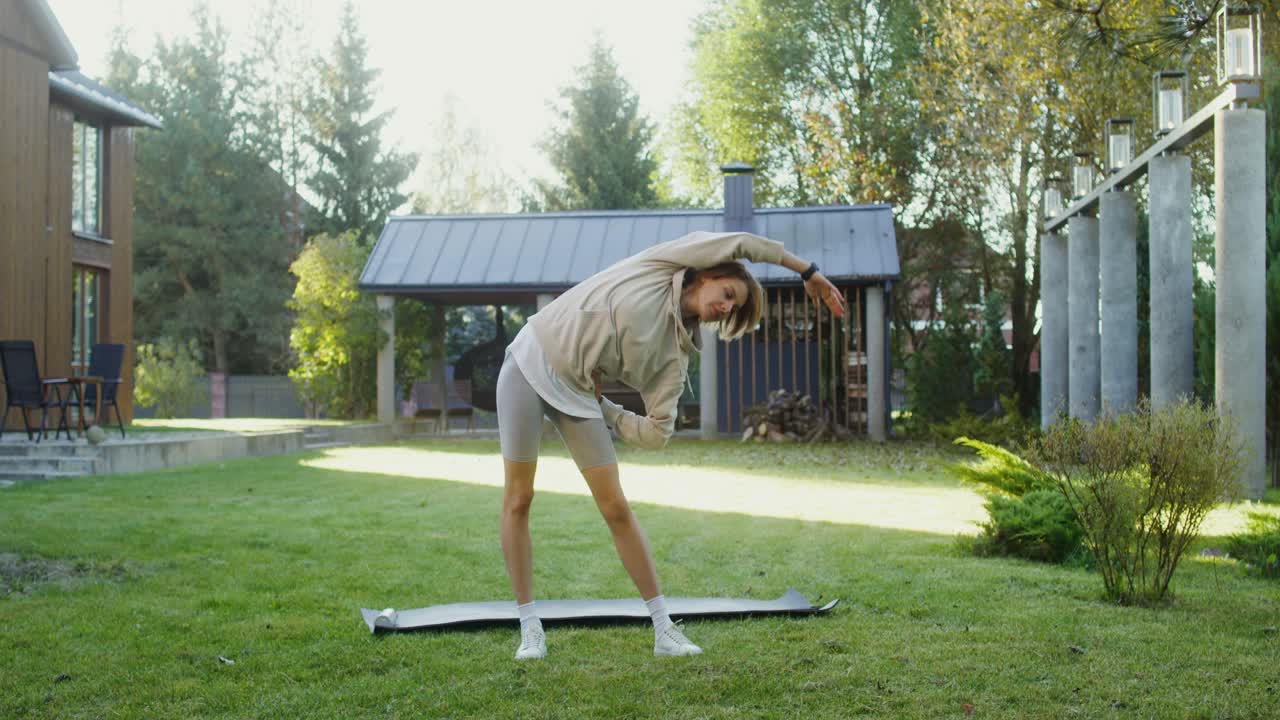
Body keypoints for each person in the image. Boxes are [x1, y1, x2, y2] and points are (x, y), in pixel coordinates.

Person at [496, 230, 846, 659]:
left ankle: (664, 630)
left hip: (580, 394)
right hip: (531, 358)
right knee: (519, 497)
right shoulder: (663, 265)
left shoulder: (674, 359)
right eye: (729, 293)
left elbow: (658, 433)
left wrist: (604, 408)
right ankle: (530, 627)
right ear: (711, 274)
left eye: (732, 309)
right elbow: (743, 243)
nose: (726, 306)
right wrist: (807, 271)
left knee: (616, 508)